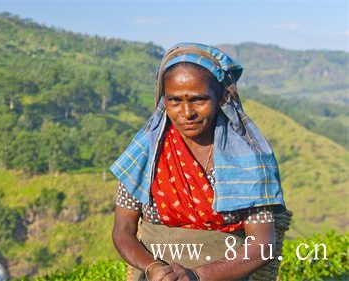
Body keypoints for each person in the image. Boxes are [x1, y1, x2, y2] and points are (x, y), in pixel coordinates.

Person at [110, 43, 288, 281]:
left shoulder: (248, 160)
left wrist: (197, 276)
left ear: (222, 97)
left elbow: (262, 245)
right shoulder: (146, 154)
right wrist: (153, 268)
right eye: (174, 101)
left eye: (198, 100)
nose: (187, 112)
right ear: (164, 100)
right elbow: (123, 232)